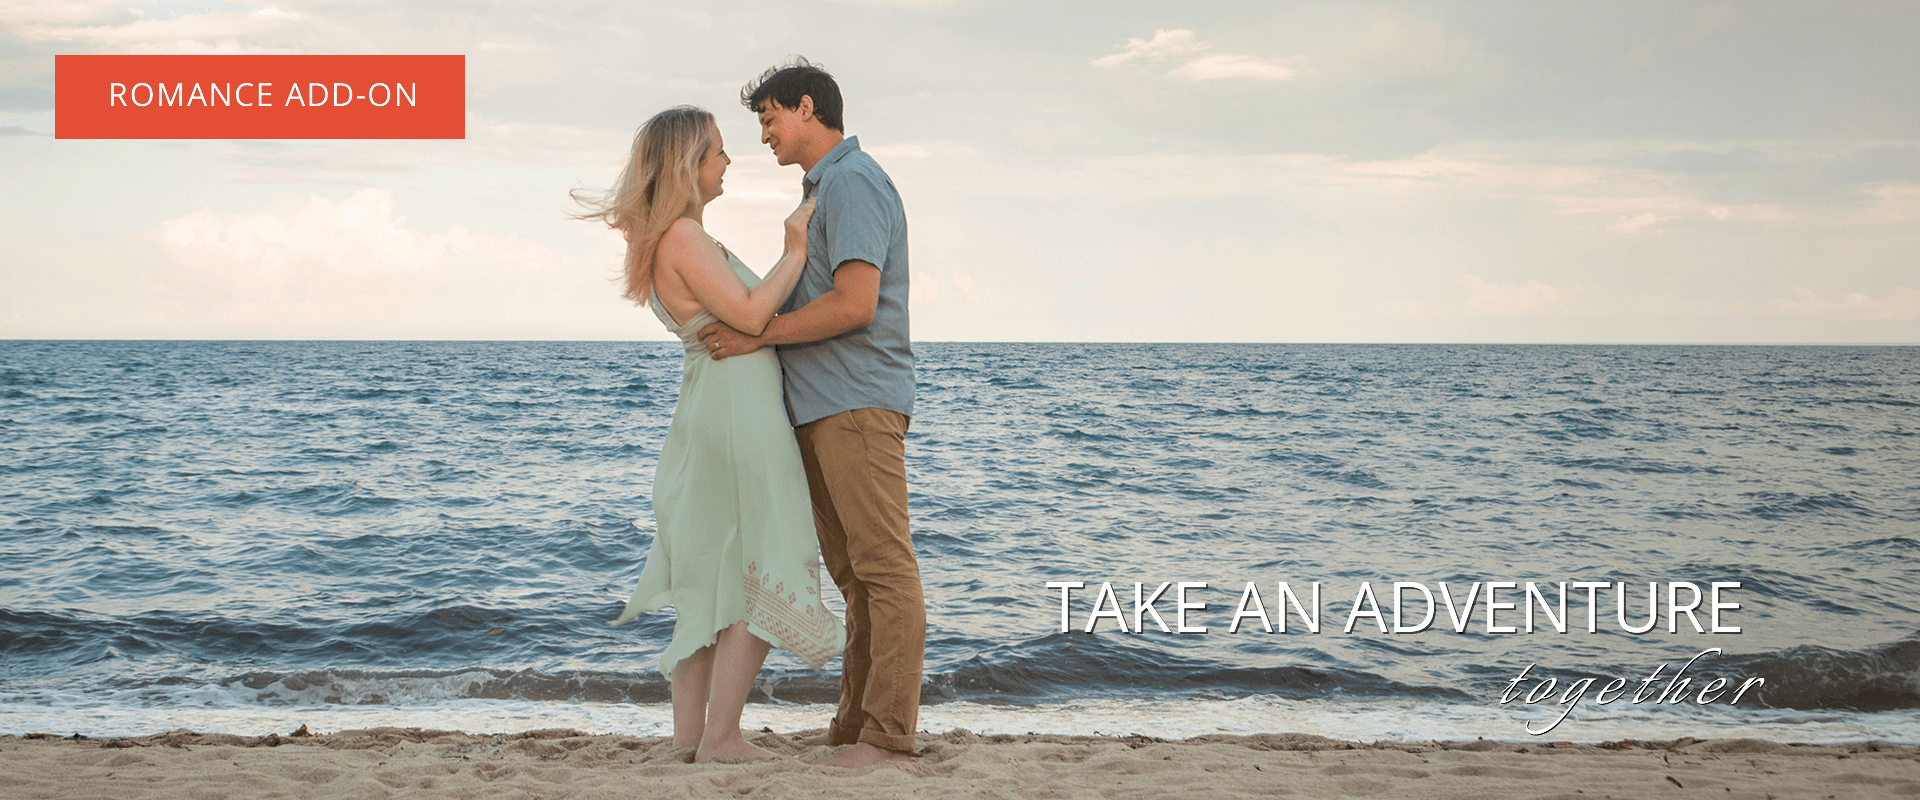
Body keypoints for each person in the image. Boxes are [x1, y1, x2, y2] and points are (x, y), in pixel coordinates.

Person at [575, 105, 844, 763]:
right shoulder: (684, 239)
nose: (729, 162)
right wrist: (796, 250)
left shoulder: (670, 239)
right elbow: (753, 314)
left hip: (714, 409)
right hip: (737, 413)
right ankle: (722, 739)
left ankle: (693, 739)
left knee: (713, 580)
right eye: (719, 151)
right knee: (768, 557)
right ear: (689, 165)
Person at [699, 58, 923, 768]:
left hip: (855, 400)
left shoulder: (852, 182)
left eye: (767, 118)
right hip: (825, 405)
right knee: (855, 576)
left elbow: (856, 305)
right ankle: (856, 727)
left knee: (882, 570)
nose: (762, 134)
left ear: (805, 107)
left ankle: (888, 736)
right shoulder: (824, 188)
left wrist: (755, 334)